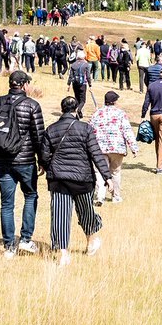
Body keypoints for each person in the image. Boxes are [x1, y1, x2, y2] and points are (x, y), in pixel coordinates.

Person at [41, 95, 112, 265]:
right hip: (82, 179)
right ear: (76, 110)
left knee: (60, 215)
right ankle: (90, 243)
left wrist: (45, 166)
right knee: (86, 212)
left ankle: (63, 253)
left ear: (62, 109)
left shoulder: (51, 129)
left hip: (58, 180)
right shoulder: (85, 128)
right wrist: (106, 176)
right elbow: (96, 153)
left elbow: (44, 155)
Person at [0, 70, 46, 258]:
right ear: (25, 85)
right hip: (25, 160)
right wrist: (42, 160)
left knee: (6, 203)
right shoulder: (32, 105)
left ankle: (9, 246)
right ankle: (26, 239)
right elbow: (38, 136)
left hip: (1, 159)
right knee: (30, 195)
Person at [89, 91, 138, 203]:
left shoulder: (97, 113)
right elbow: (127, 131)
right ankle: (115, 196)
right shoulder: (120, 113)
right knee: (115, 171)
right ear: (115, 101)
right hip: (117, 147)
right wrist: (133, 148)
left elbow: (89, 129)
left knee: (100, 171)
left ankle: (99, 196)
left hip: (100, 148)